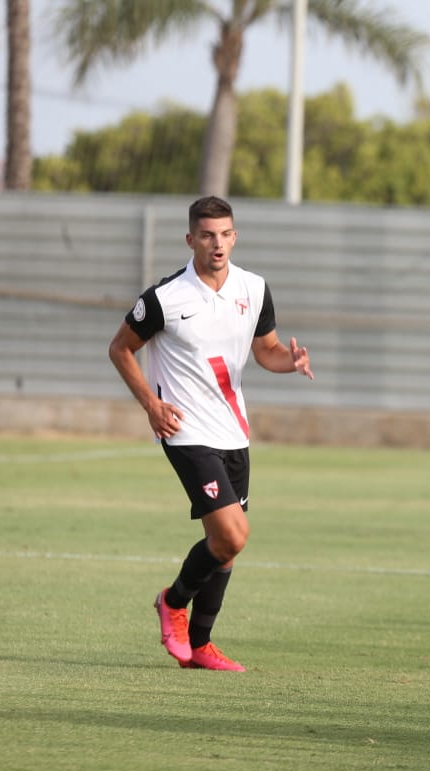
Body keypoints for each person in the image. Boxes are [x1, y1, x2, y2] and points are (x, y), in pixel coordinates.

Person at [108, 196, 314, 672]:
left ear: (235, 237)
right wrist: (151, 405)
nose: (216, 244)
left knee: (226, 546)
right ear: (190, 240)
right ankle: (172, 602)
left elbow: (267, 351)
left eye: (224, 234)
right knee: (232, 535)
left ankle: (200, 646)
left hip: (234, 430)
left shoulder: (255, 288)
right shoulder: (164, 298)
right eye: (206, 235)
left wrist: (291, 362)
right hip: (185, 431)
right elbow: (120, 349)